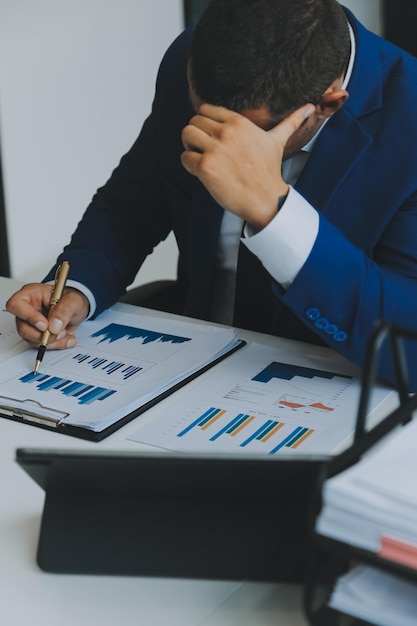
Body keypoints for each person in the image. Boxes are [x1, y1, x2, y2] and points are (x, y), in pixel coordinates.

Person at [6, 0, 417, 390]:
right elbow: (132, 205)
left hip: (339, 388)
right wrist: (77, 288)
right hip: (187, 369)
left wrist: (276, 214)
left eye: (247, 134)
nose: (223, 144)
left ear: (328, 104)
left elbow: (407, 339)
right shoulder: (194, 56)